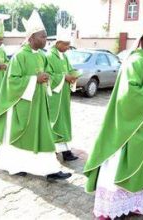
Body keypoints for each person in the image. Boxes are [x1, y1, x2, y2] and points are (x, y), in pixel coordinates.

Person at [84, 5, 143, 219]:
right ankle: (110, 207)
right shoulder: (134, 61)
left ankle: (135, 202)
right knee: (120, 163)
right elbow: (130, 95)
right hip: (129, 127)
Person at [0, 10, 71, 180]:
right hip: (22, 104)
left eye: (45, 36)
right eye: (42, 36)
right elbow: (12, 81)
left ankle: (50, 169)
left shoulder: (42, 57)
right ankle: (15, 165)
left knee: (43, 134)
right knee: (22, 136)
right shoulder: (19, 56)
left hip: (39, 103)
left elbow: (46, 75)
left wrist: (46, 79)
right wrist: (35, 79)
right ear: (32, 37)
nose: (45, 39)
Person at [45, 24, 79, 161]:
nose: (67, 48)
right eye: (65, 45)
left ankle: (66, 150)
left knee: (64, 122)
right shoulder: (49, 56)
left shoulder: (64, 57)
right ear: (57, 43)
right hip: (53, 96)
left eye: (69, 45)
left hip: (64, 95)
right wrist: (64, 77)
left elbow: (69, 70)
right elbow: (47, 75)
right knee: (54, 122)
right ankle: (53, 150)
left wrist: (74, 75)